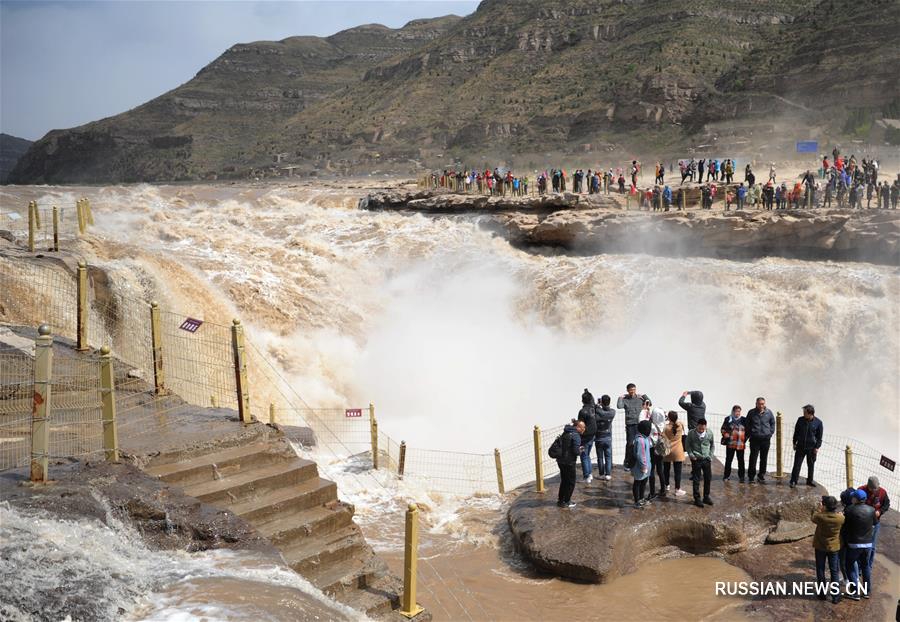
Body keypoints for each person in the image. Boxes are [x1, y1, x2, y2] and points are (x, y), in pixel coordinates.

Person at [843, 489, 875, 600]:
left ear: (856, 499)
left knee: (849, 565)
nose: (852, 499)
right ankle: (866, 591)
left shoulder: (849, 510)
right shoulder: (871, 510)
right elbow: (875, 523)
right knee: (866, 566)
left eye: (853, 497)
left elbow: (845, 526)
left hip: (854, 544)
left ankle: (855, 592)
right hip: (868, 544)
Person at [811, 495, 844, 604]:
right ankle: (835, 596)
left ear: (824, 506)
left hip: (820, 546)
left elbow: (813, 517)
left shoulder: (820, 517)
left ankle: (822, 593)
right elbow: (842, 517)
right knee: (834, 571)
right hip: (834, 547)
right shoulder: (840, 518)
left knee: (820, 569)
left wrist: (819, 509)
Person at [858, 476, 891, 576]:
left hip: (875, 523)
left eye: (876, 488)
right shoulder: (861, 490)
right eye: (872, 489)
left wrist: (880, 511)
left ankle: (869, 566)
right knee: (860, 546)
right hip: (862, 524)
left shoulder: (882, 492)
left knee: (872, 547)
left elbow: (886, 504)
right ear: (868, 486)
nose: (874, 490)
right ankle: (859, 568)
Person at [790, 404, 823, 488]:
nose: (803, 414)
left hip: (811, 448)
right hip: (800, 446)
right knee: (797, 464)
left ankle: (810, 481)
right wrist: (794, 442)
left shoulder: (818, 423)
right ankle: (793, 481)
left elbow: (819, 437)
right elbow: (796, 432)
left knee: (811, 465)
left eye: (805, 412)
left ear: (810, 413)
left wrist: (817, 447)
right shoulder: (800, 420)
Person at [641, 398, 667, 499]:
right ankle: (663, 489)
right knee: (660, 470)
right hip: (660, 449)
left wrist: (645, 410)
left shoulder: (650, 425)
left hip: (651, 449)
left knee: (651, 470)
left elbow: (642, 422)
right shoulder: (663, 424)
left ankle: (652, 492)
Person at [746, 397, 775, 484]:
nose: (761, 405)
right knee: (753, 458)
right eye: (759, 404)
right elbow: (747, 424)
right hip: (755, 439)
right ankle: (751, 477)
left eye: (763, 404)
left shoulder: (769, 412)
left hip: (766, 439)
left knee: (764, 458)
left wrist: (770, 433)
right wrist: (751, 433)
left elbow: (772, 423)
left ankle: (761, 476)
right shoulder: (751, 412)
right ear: (756, 404)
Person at [686, 418, 714, 508]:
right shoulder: (691, 433)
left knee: (708, 478)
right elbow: (687, 445)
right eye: (700, 428)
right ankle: (697, 498)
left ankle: (706, 497)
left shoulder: (709, 433)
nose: (701, 430)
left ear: (705, 426)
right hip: (696, 459)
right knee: (696, 479)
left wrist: (710, 456)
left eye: (703, 428)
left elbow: (712, 445)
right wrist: (691, 455)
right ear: (697, 426)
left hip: (706, 459)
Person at [556, 420, 584, 508]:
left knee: (564, 480)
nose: (584, 429)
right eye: (583, 427)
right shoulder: (576, 436)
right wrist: (581, 450)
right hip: (569, 462)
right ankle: (567, 501)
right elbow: (576, 451)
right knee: (571, 482)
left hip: (560, 460)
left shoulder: (566, 432)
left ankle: (561, 500)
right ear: (577, 427)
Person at [618, 384, 647, 468]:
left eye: (634, 389)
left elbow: (649, 403)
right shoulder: (625, 399)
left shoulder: (639, 399)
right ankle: (628, 462)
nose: (633, 391)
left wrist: (644, 396)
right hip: (630, 424)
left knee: (640, 442)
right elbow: (619, 406)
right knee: (630, 444)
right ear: (627, 390)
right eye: (631, 390)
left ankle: (639, 461)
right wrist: (620, 397)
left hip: (639, 423)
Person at [663, 411, 687, 496]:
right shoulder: (680, 425)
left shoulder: (666, 427)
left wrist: (666, 419)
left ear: (669, 418)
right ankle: (677, 489)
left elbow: (663, 436)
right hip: (678, 451)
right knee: (678, 472)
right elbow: (679, 422)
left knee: (666, 470)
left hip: (668, 451)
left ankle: (667, 485)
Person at [720, 405, 747, 482]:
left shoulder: (744, 420)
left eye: (739, 411)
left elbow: (748, 430)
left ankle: (741, 477)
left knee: (741, 461)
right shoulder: (728, 419)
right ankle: (726, 476)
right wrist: (725, 434)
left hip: (740, 444)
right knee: (728, 460)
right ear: (733, 411)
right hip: (730, 444)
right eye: (736, 411)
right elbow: (723, 429)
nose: (737, 413)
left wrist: (745, 438)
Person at [631, 420, 653, 508]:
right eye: (649, 429)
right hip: (640, 467)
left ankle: (642, 498)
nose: (650, 430)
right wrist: (643, 466)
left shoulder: (645, 438)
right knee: (637, 483)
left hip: (646, 466)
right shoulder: (640, 440)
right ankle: (637, 501)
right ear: (644, 429)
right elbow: (641, 455)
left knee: (643, 482)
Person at [594, 395, 616, 480]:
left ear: (602, 402)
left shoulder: (597, 413)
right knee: (608, 456)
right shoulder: (612, 412)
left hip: (599, 437)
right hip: (608, 438)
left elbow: (600, 413)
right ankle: (608, 474)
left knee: (600, 457)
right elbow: (605, 413)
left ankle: (601, 474)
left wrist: (597, 406)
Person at [578, 394, 598, 483]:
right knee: (587, 455)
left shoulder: (582, 411)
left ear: (582, 400)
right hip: (592, 435)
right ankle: (589, 474)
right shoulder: (593, 409)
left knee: (584, 456)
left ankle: (587, 477)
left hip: (585, 437)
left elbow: (580, 425)